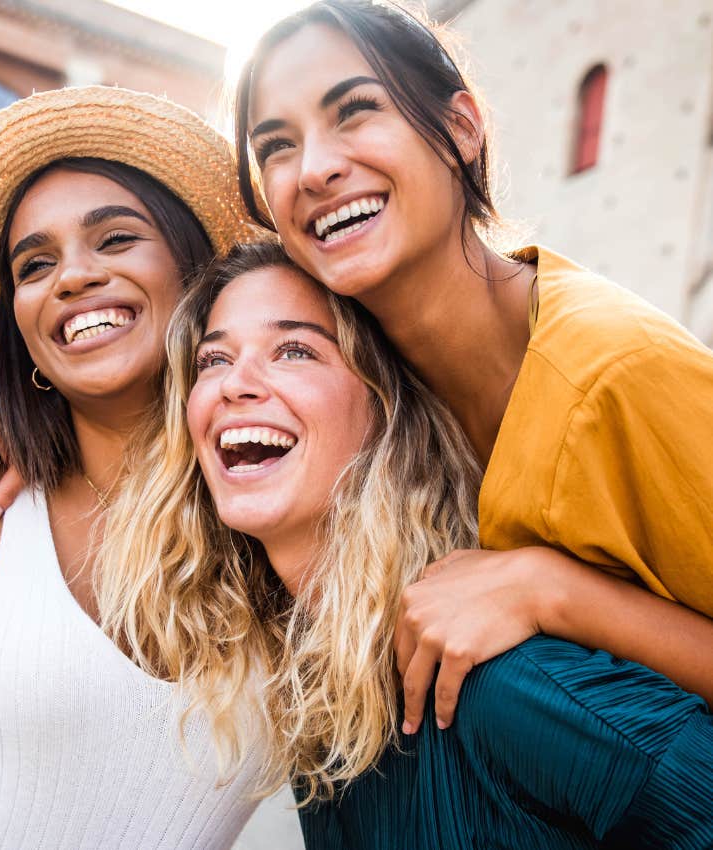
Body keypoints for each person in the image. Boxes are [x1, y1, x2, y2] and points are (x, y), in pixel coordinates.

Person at [100, 239, 713, 849]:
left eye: (294, 350)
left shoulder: (506, 685)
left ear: (388, 410)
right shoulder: (325, 709)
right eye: (214, 361)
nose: (236, 384)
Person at [232, 0, 713, 733]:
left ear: (461, 127)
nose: (316, 169)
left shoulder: (618, 373)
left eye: (355, 111)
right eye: (276, 146)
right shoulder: (355, 387)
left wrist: (552, 590)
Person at [0, 85, 264, 850]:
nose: (72, 276)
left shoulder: (285, 504)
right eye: (34, 263)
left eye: (115, 239)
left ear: (196, 272)